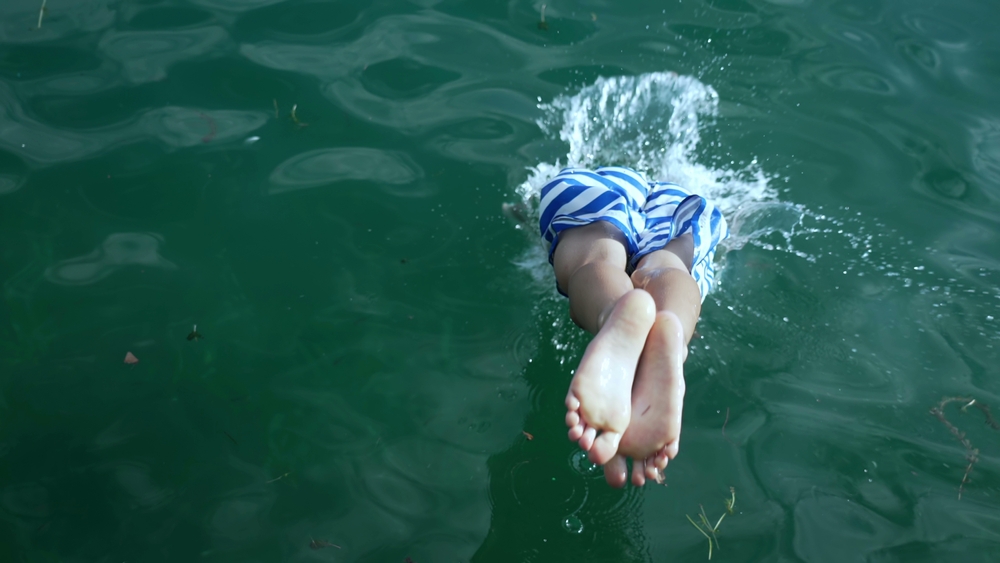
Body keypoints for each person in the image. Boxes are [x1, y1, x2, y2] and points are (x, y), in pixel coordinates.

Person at [539, 166, 728, 488]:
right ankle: (673, 332)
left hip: (590, 187)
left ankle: (613, 311)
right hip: (681, 205)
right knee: (668, 264)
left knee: (595, 257)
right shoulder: (682, 191)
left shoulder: (598, 181)